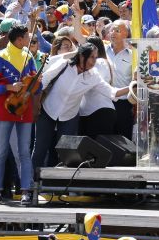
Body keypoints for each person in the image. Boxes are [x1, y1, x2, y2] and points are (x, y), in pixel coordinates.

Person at [32, 43, 130, 174]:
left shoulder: (94, 75)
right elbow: (41, 83)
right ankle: (29, 184)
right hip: (47, 110)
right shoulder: (64, 64)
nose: (94, 61)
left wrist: (133, 87)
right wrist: (35, 106)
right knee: (40, 149)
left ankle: (58, 187)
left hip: (69, 116)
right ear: (81, 56)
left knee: (65, 153)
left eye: (96, 57)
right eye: (91, 57)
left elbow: (112, 92)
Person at [0, 23, 38, 205]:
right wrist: (8, 87)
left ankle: (25, 190)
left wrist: (34, 85)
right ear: (19, 39)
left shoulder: (28, 56)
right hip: (4, 108)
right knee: (1, 151)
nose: (29, 39)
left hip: (24, 108)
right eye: (26, 36)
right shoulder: (0, 57)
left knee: (24, 151)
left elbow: (35, 85)